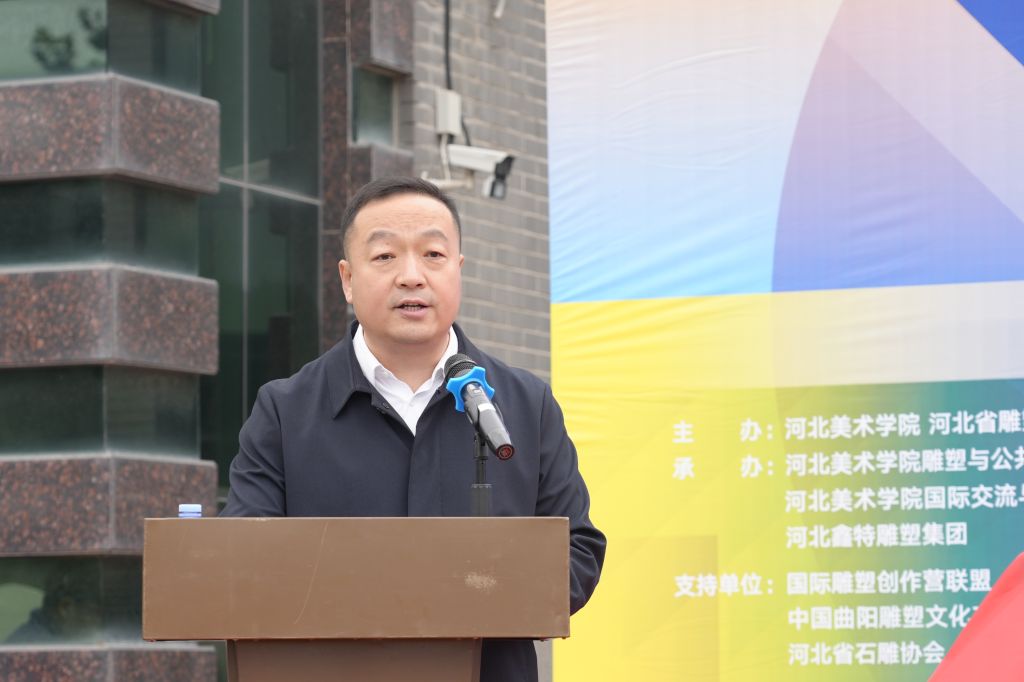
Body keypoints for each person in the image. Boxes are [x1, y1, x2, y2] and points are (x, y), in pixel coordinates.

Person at [221, 176, 606, 682]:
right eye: (385, 256)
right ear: (347, 279)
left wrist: (482, 591)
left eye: (433, 255)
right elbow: (244, 560)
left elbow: (578, 551)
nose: (411, 276)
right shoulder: (284, 411)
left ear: (458, 270)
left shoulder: (524, 405)